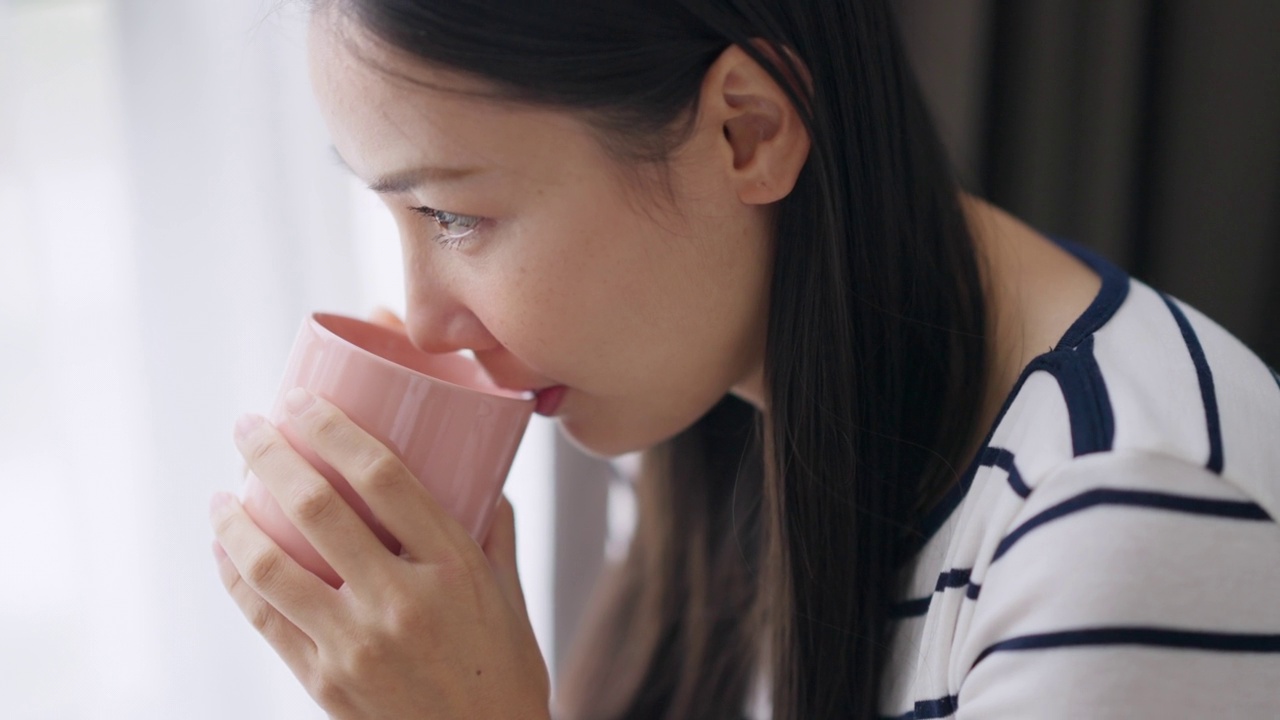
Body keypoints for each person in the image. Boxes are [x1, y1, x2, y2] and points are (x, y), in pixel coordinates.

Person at [207, 1, 1280, 718]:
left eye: (452, 215)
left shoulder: (1122, 524)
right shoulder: (716, 406)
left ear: (746, 132)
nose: (426, 323)